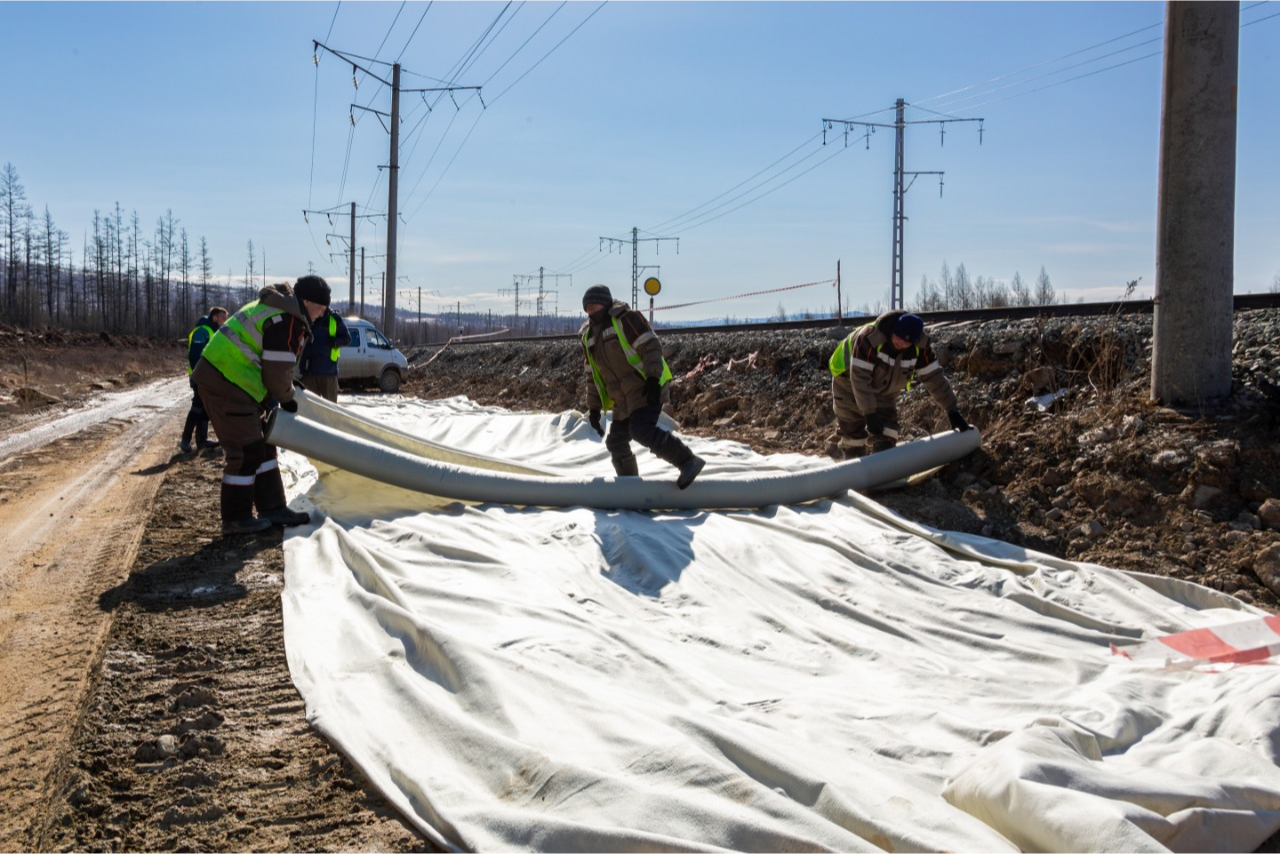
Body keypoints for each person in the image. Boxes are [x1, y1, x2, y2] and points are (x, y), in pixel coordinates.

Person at [193, 276, 330, 535]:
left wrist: (283, 391)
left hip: (235, 382)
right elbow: (275, 374)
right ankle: (235, 518)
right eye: (321, 306)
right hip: (225, 381)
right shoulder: (286, 319)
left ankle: (273, 508)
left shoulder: (281, 310)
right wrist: (287, 397)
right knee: (246, 450)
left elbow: (274, 366)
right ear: (308, 301)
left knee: (265, 446)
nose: (323, 312)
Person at [579, 284, 705, 489]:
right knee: (616, 442)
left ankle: (688, 461)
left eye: (594, 304)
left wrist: (654, 379)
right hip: (623, 399)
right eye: (587, 306)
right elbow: (592, 376)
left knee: (641, 429)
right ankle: (630, 488)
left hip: (645, 388)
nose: (591, 309)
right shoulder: (588, 337)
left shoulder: (626, 319)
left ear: (606, 302)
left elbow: (651, 347)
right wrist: (593, 409)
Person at [827, 310, 972, 459]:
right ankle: (851, 461)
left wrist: (951, 409)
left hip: (884, 386)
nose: (901, 343)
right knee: (853, 430)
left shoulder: (920, 348)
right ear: (893, 331)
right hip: (847, 379)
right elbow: (860, 379)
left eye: (907, 341)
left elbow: (934, 377)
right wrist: (869, 412)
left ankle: (882, 466)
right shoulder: (870, 338)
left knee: (887, 431)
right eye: (899, 338)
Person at [180, 305, 228, 453]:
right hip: (200, 377)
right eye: (223, 318)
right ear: (214, 318)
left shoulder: (213, 331)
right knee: (197, 406)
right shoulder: (202, 331)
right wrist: (198, 376)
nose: (225, 321)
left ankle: (202, 440)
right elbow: (195, 355)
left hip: (209, 377)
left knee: (205, 407)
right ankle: (185, 441)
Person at [299, 305, 350, 402]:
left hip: (328, 373)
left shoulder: (334, 318)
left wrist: (335, 342)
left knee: (330, 409)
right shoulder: (310, 318)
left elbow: (347, 339)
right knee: (311, 409)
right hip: (310, 373)